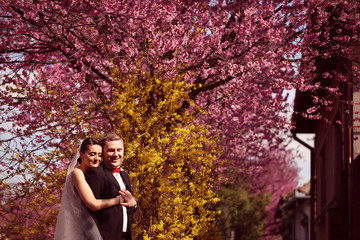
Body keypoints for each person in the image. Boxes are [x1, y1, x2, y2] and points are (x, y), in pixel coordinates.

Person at [54, 138, 124, 240]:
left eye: (100, 155)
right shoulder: (77, 173)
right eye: (92, 154)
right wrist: (119, 200)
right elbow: (93, 204)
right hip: (81, 228)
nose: (97, 158)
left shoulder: (94, 173)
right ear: (81, 155)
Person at [85, 133, 137, 240]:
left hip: (125, 235)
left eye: (119, 150)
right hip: (103, 236)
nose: (115, 154)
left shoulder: (124, 175)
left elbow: (125, 207)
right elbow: (89, 210)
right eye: (111, 150)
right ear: (102, 152)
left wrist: (133, 205)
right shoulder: (96, 173)